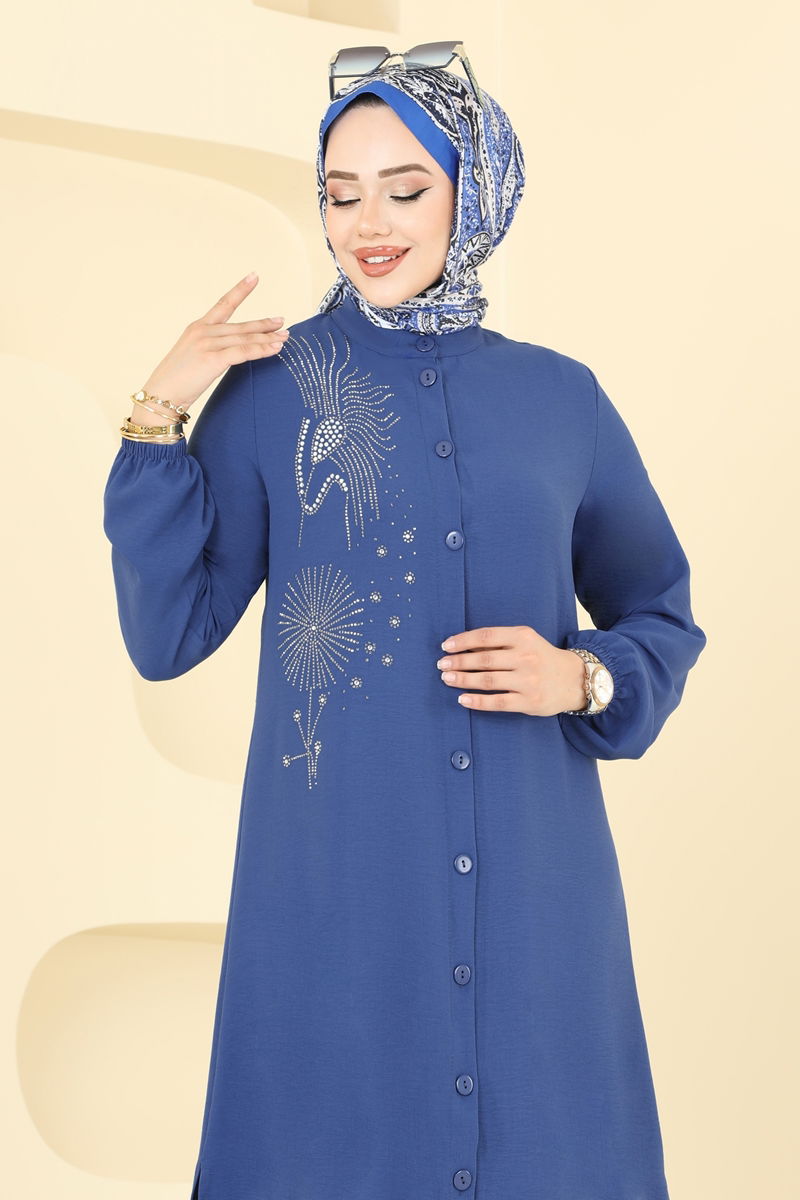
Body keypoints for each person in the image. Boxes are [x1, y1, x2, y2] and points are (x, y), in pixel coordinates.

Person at [103, 47, 706, 1200]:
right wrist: (160, 413)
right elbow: (167, 633)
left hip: (536, 884)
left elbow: (657, 612)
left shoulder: (560, 397)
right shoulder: (275, 387)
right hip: (336, 887)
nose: (367, 225)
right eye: (340, 194)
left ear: (472, 191)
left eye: (404, 188)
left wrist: (579, 676)